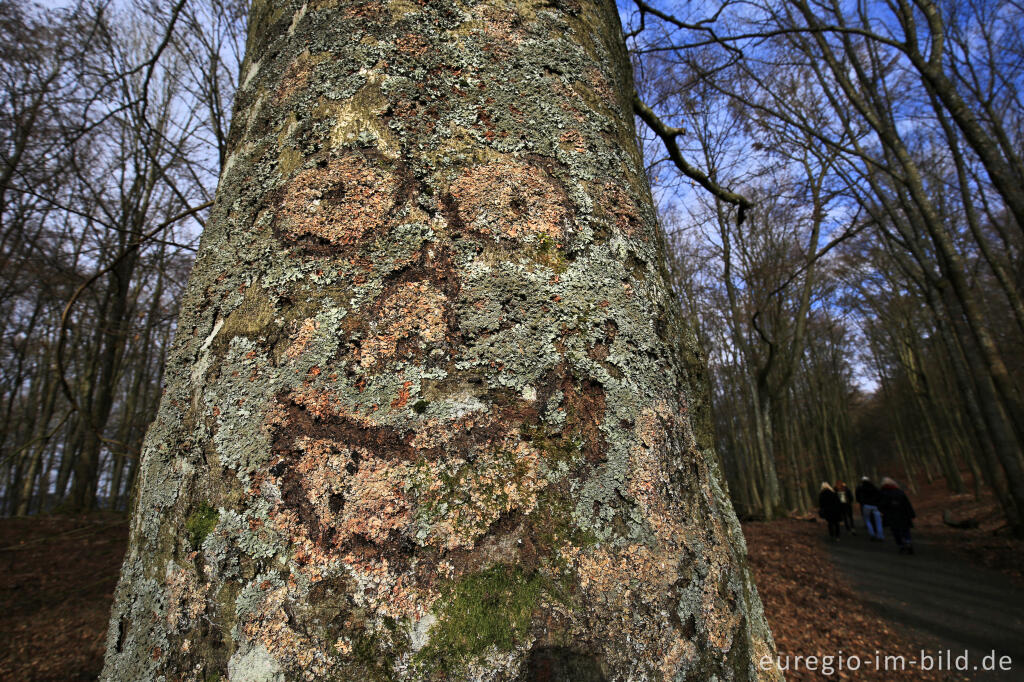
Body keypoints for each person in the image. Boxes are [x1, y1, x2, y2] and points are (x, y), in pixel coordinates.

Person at [879, 477, 916, 554]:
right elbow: (907, 504)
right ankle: (908, 542)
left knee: (896, 531)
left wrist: (883, 513)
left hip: (892, 516)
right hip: (903, 514)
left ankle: (901, 545)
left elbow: (882, 505)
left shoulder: (883, 493)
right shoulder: (899, 492)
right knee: (905, 529)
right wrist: (911, 514)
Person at [855, 476, 884, 541]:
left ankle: (872, 534)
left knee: (868, 520)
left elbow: (858, 497)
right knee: (878, 521)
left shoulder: (860, 488)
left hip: (866, 506)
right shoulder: (874, 487)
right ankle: (880, 535)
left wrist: (862, 502)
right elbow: (880, 495)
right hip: (875, 506)